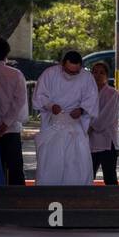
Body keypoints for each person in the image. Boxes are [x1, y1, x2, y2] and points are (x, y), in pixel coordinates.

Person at [33, 51, 98, 186]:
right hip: (54, 122)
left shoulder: (86, 77)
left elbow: (92, 99)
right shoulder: (50, 74)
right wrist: (51, 106)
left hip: (75, 123)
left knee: (77, 160)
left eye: (75, 72)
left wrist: (81, 109)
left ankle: (78, 192)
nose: (71, 75)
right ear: (62, 65)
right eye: (69, 71)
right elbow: (40, 96)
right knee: (51, 160)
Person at [0, 38, 29, 186]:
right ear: (7, 53)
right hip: (11, 127)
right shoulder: (15, 74)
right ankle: (18, 201)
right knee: (15, 169)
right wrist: (6, 124)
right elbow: (19, 102)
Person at [88, 61, 119, 185]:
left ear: (107, 76)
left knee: (110, 176)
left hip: (108, 140)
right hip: (90, 140)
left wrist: (91, 127)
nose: (98, 75)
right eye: (95, 72)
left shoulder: (113, 93)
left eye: (101, 73)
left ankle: (114, 202)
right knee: (87, 174)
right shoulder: (86, 94)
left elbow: (107, 116)